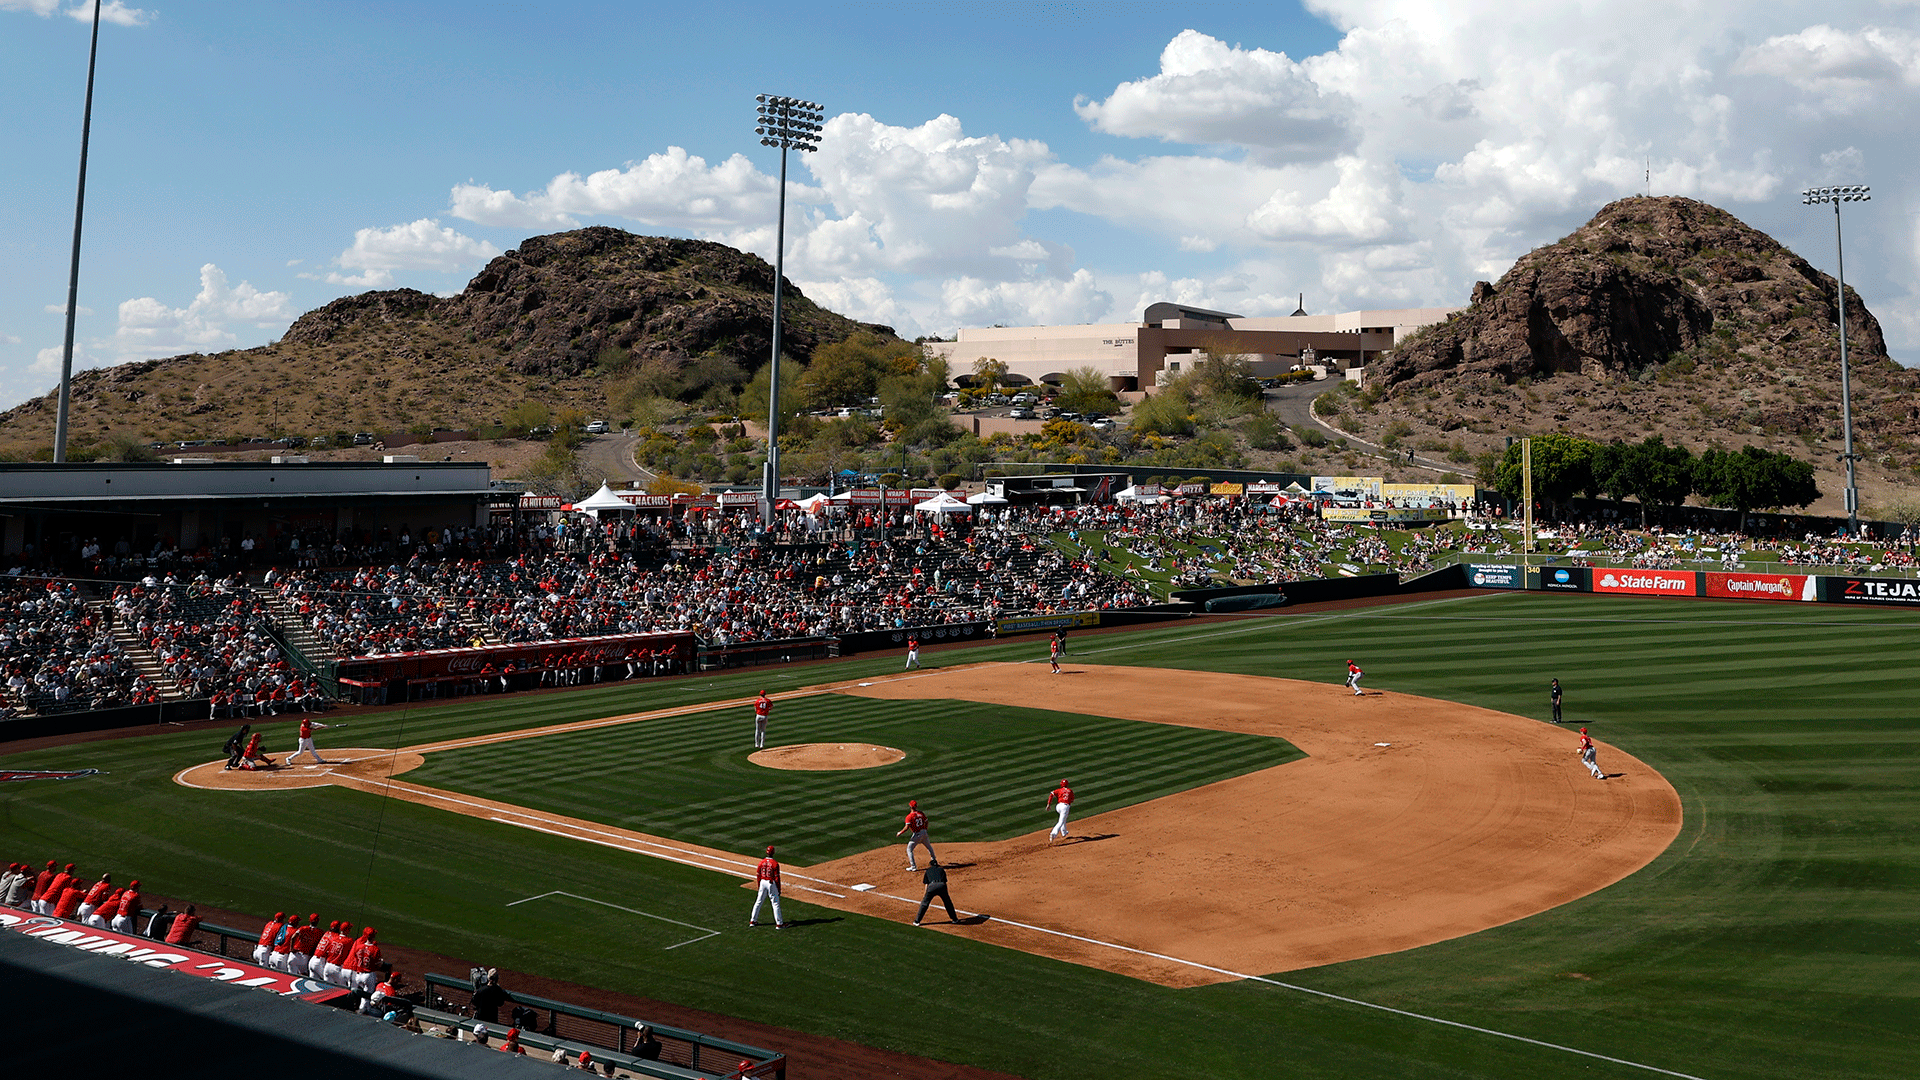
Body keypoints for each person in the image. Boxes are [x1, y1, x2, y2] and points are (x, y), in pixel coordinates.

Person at [913, 858, 960, 926]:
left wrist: (926, 895)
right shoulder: (941, 869)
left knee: (924, 904)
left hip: (931, 887)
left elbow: (926, 884)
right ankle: (955, 919)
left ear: (930, 865)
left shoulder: (928, 870)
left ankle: (917, 921)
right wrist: (945, 894)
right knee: (948, 903)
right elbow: (944, 882)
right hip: (942, 886)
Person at [749, 845, 785, 929]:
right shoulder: (775, 863)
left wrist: (759, 885)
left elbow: (758, 875)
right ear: (773, 853)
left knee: (758, 902)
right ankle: (779, 924)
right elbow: (777, 878)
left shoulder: (761, 862)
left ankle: (753, 921)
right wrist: (778, 889)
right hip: (771, 883)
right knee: (775, 903)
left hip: (762, 882)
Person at [896, 799, 934, 871]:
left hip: (917, 834)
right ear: (916, 806)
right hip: (924, 832)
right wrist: (925, 829)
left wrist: (900, 832)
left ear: (910, 806)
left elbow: (906, 828)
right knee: (929, 846)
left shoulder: (909, 816)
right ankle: (934, 860)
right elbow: (926, 821)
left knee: (909, 849)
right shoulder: (921, 813)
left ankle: (913, 866)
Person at [1046, 779, 1073, 844]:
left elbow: (1051, 794)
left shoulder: (1059, 790)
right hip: (1065, 807)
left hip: (1058, 806)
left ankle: (1064, 832)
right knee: (1061, 821)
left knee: (1063, 818)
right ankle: (1053, 833)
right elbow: (1072, 800)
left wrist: (1048, 804)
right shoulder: (1070, 791)